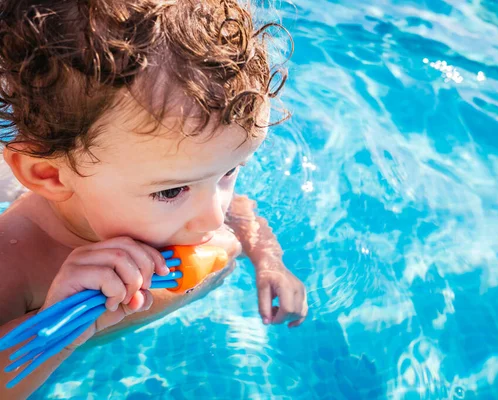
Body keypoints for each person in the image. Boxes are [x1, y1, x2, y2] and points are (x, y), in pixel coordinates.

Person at [0, 0, 308, 397]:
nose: (212, 218)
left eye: (230, 172)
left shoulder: (188, 184)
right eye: (170, 191)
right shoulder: (14, 266)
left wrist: (269, 260)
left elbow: (238, 211)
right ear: (50, 175)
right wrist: (58, 328)